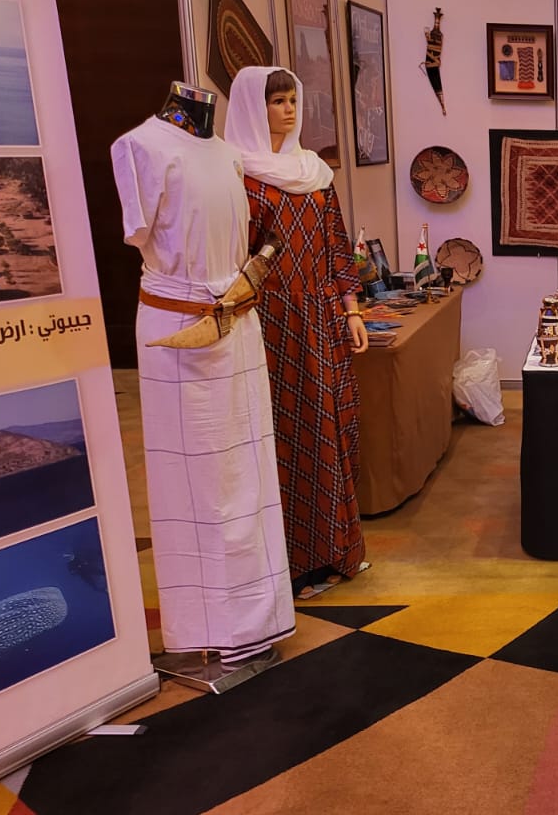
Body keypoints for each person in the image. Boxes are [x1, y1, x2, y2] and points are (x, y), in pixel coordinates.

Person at [110, 81, 293, 669]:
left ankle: (257, 618)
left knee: (247, 474)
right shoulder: (139, 147)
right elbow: (146, 237)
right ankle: (206, 625)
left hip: (236, 320)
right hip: (180, 326)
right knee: (194, 483)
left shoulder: (227, 154)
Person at [224, 65, 370, 600]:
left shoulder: (314, 173)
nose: (288, 110)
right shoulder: (238, 177)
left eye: (291, 100)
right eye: (276, 101)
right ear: (251, 107)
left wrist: (352, 310)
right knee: (288, 436)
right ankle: (292, 563)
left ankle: (338, 549)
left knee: (332, 427)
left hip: (323, 318)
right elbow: (235, 257)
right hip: (270, 324)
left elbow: (336, 248)